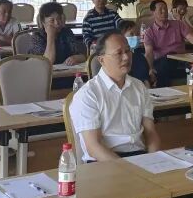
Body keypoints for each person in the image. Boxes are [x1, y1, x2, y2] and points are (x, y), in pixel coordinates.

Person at [69, 31, 162, 162]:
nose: (126, 57)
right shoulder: (88, 94)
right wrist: (128, 169)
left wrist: (154, 160)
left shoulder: (139, 87)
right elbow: (93, 147)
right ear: (101, 60)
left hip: (139, 157)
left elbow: (151, 133)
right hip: (104, 162)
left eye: (128, 51)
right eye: (118, 53)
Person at [143, 0, 193, 87]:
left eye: (165, 9)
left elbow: (191, 38)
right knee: (164, 66)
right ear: (153, 12)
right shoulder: (149, 32)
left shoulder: (178, 24)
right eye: (160, 9)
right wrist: (150, 68)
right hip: (163, 62)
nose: (164, 11)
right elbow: (149, 53)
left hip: (181, 60)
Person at [27, 2, 87, 66]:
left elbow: (83, 56)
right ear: (43, 22)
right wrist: (50, 36)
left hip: (66, 70)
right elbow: (47, 62)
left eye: (59, 18)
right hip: (42, 71)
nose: (57, 23)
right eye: (52, 20)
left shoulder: (67, 32)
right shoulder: (37, 37)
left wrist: (76, 58)